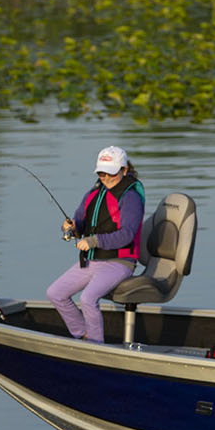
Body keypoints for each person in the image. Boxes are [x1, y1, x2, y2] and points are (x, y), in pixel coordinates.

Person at [47, 145, 146, 342]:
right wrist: (71, 228)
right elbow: (80, 223)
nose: (106, 178)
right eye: (102, 173)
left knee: (88, 299)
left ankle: (96, 347)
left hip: (120, 262)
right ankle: (82, 335)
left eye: (111, 173)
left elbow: (127, 234)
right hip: (92, 260)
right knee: (55, 293)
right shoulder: (93, 193)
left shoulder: (131, 197)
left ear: (124, 170)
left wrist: (93, 241)